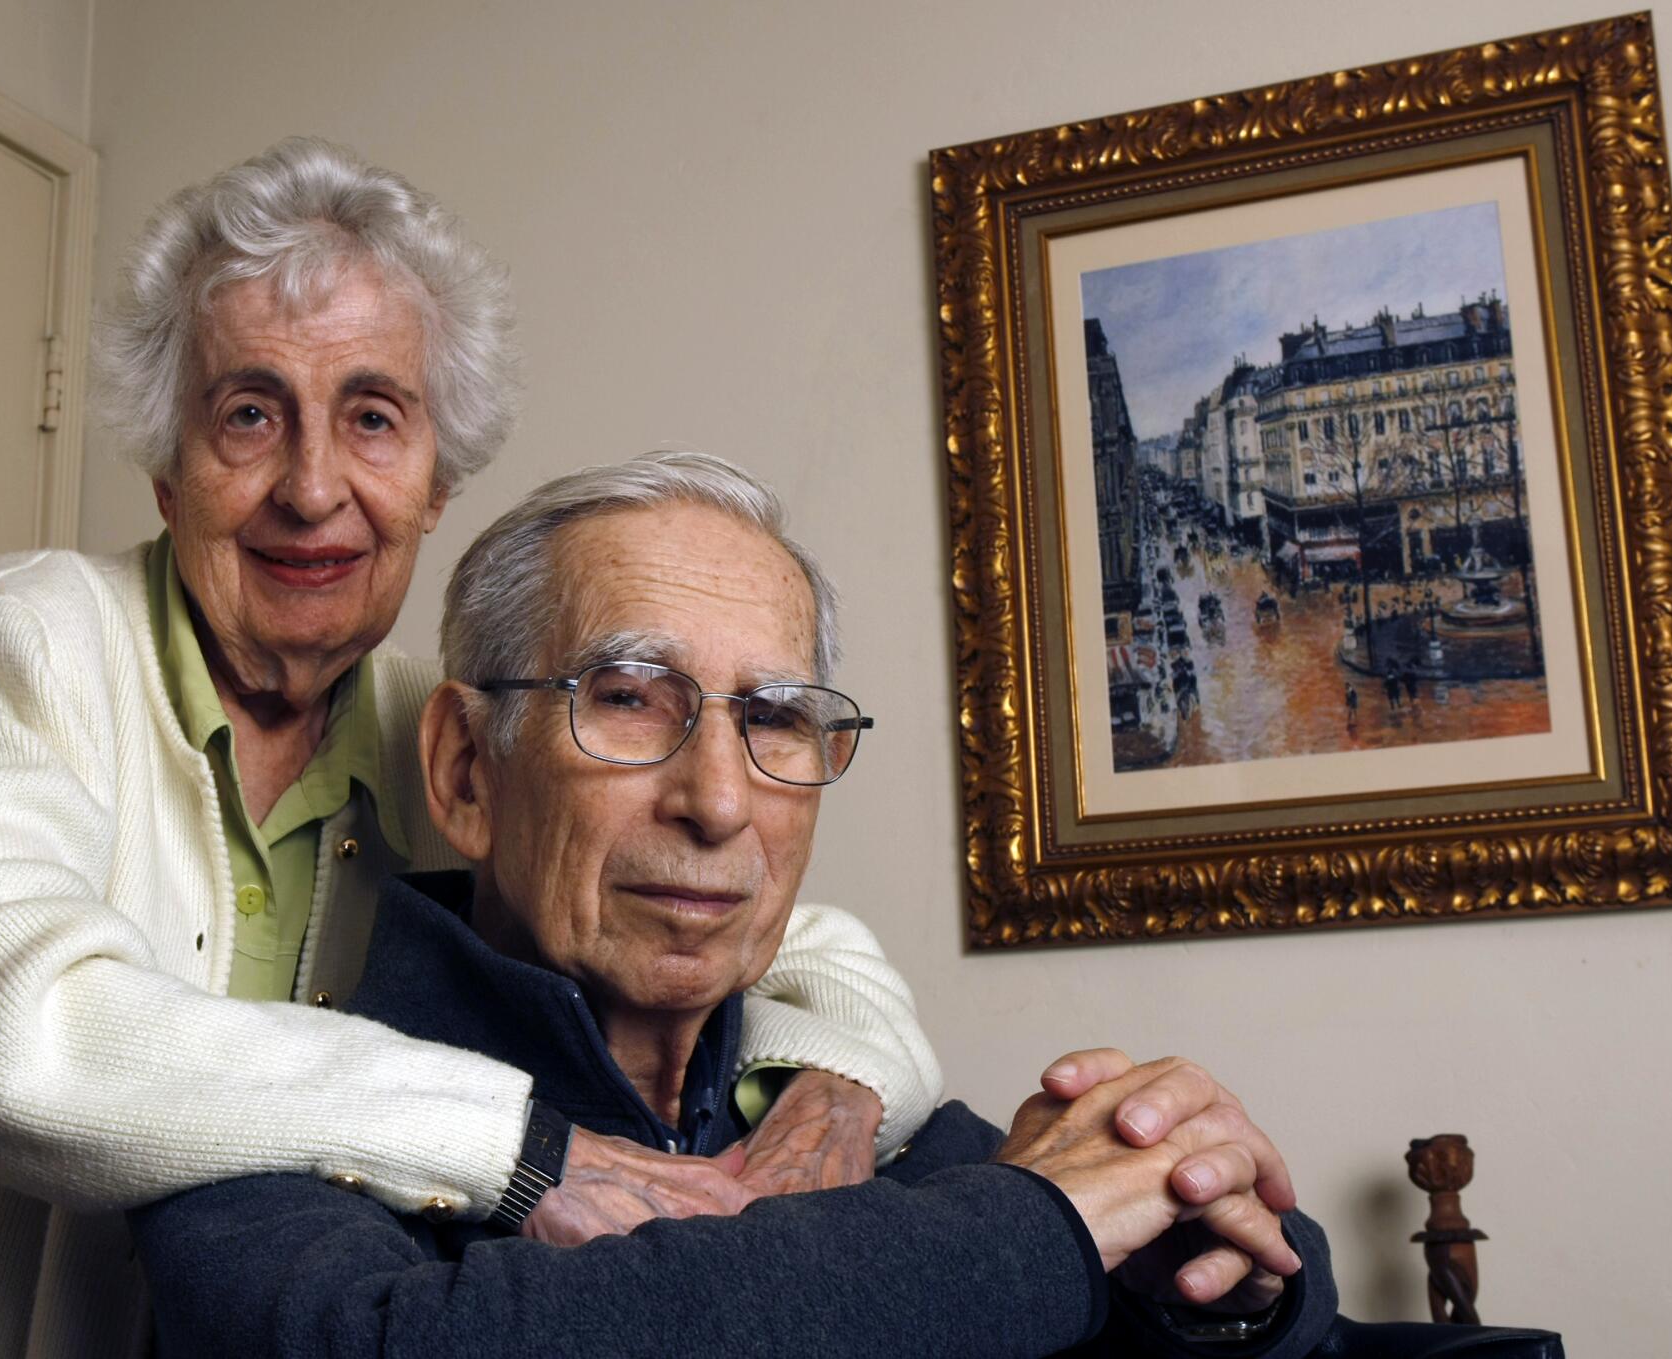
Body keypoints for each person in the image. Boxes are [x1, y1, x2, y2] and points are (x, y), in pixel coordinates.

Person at [0, 142, 941, 1358]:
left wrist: (836, 1083)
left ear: (438, 481)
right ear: (167, 468)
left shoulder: (436, 725)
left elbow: (754, 911)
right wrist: (515, 1144)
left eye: (373, 418)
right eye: (248, 413)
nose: (312, 485)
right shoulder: (44, 637)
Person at [131, 453, 1338, 1357]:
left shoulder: (856, 1107)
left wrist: (1208, 1254)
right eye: (627, 698)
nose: (716, 802)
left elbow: (1273, 1305)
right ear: (462, 769)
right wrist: (1038, 1229)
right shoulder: (264, 1117)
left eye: (772, 718)